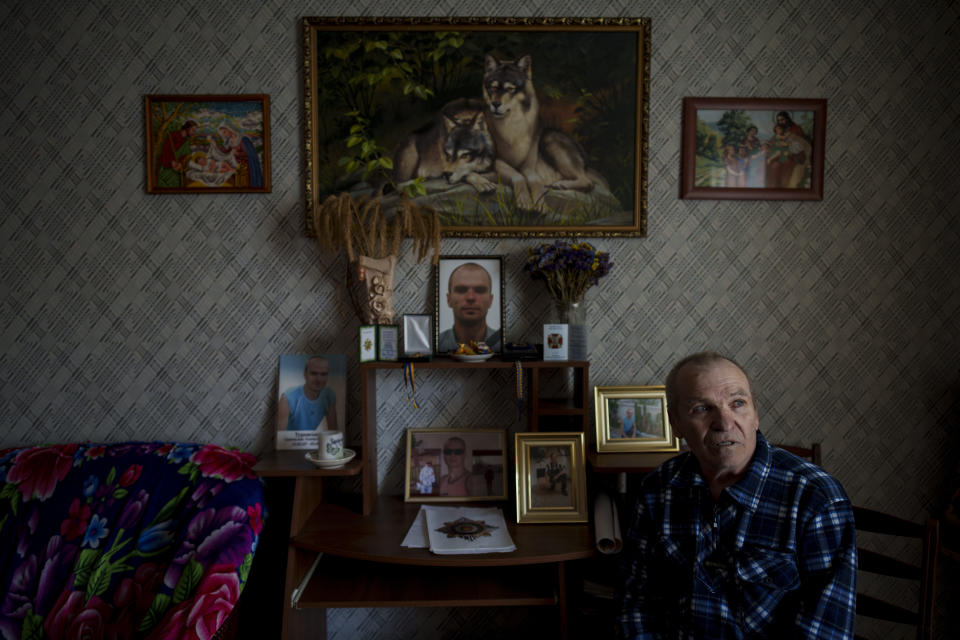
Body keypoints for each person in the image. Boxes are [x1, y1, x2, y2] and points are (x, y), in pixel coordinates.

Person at [619, 352, 856, 638]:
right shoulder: (658, 489)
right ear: (675, 423)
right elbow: (637, 606)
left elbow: (825, 632)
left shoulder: (817, 499)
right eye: (702, 409)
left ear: (755, 415)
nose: (724, 422)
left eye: (738, 403)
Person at [436, 263, 502, 353]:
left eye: (480, 290)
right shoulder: (436, 345)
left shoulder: (502, 345)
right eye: (461, 290)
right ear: (449, 299)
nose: (470, 297)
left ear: (490, 300)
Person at [277, 356, 339, 432]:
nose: (318, 379)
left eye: (323, 374)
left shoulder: (329, 395)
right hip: (291, 442)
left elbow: (333, 432)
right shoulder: (287, 398)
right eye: (313, 373)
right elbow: (280, 437)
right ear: (305, 374)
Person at [210, 121, 264, 188]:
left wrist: (237, 153)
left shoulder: (244, 140)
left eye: (224, 132)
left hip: (247, 164)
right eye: (222, 133)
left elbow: (250, 155)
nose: (224, 135)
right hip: (237, 163)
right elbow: (225, 151)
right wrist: (214, 144)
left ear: (230, 129)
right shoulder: (230, 141)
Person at [156, 120, 198, 188]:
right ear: (187, 128)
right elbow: (165, 151)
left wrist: (180, 163)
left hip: (177, 169)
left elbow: (185, 155)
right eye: (193, 130)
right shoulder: (172, 136)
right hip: (166, 166)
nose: (194, 133)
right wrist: (172, 162)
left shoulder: (186, 141)